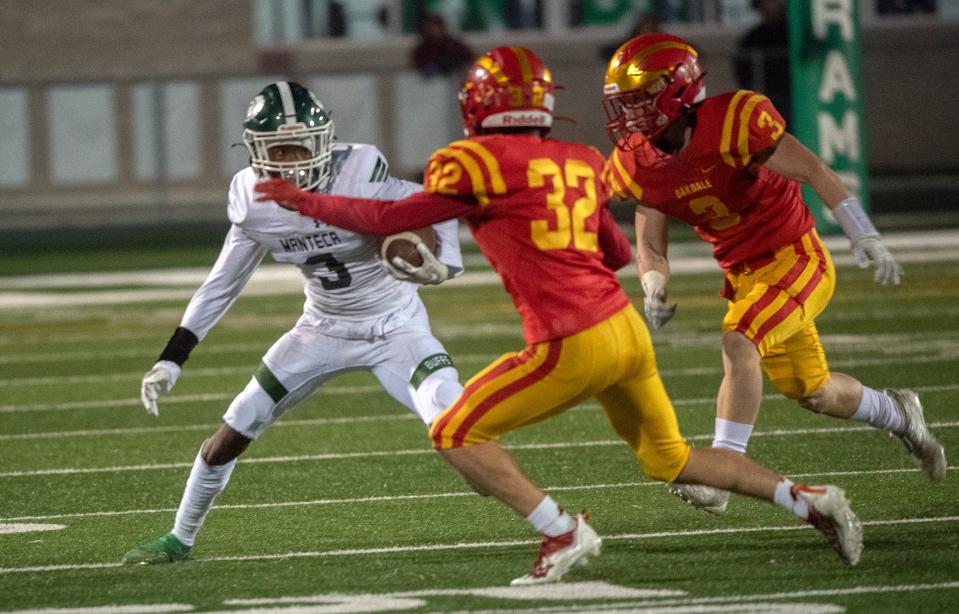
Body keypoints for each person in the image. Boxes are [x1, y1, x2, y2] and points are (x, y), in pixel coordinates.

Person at [255, 46, 865, 585]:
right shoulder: (577, 158)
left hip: (570, 341)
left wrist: (302, 199)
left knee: (454, 432)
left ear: (479, 106)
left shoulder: (472, 162)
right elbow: (619, 253)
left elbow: (388, 221)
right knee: (670, 459)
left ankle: (561, 532)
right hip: (623, 330)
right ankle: (810, 500)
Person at [601, 33, 947, 515]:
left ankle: (722, 472)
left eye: (639, 97)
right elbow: (651, 239)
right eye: (626, 101)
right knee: (815, 391)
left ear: (676, 88)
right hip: (745, 276)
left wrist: (862, 232)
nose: (631, 113)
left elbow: (815, 171)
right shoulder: (637, 162)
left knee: (739, 339)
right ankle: (899, 413)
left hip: (796, 257)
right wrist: (653, 283)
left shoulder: (735, 120)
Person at [122, 81, 465, 564]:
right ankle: (180, 537)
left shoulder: (360, 168)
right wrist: (172, 358)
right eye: (276, 149)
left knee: (460, 419)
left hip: (395, 326)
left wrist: (443, 264)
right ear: (256, 151)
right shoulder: (252, 198)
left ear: (323, 141)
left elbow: (436, 201)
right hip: (320, 329)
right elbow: (222, 283)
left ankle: (550, 525)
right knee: (235, 427)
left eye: (297, 146)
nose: (288, 161)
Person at [733, 0, 791, 126]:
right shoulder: (753, 39)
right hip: (766, 101)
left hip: (792, 100)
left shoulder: (792, 35)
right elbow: (743, 73)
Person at [411, 12, 473, 79]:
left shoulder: (453, 45)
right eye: (430, 28)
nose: (434, 31)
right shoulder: (422, 50)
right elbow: (419, 67)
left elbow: (468, 58)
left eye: (436, 27)